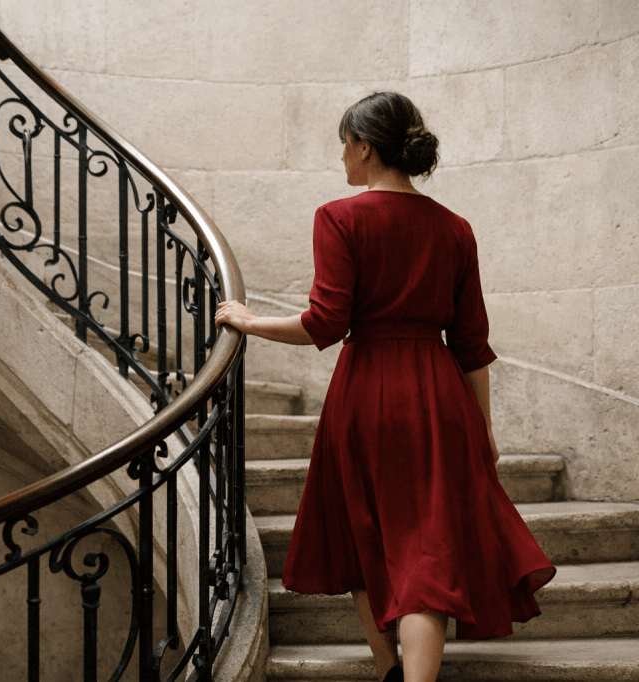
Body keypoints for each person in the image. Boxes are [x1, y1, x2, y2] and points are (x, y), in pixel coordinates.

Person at [214, 92, 555, 682]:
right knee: (426, 544)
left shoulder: (339, 217)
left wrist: (247, 321)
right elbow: (472, 343)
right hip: (439, 393)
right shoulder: (455, 228)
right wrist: (484, 429)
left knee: (363, 529)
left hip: (368, 390)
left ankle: (390, 669)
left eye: (344, 143)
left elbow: (325, 323)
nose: (341, 156)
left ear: (365, 148)